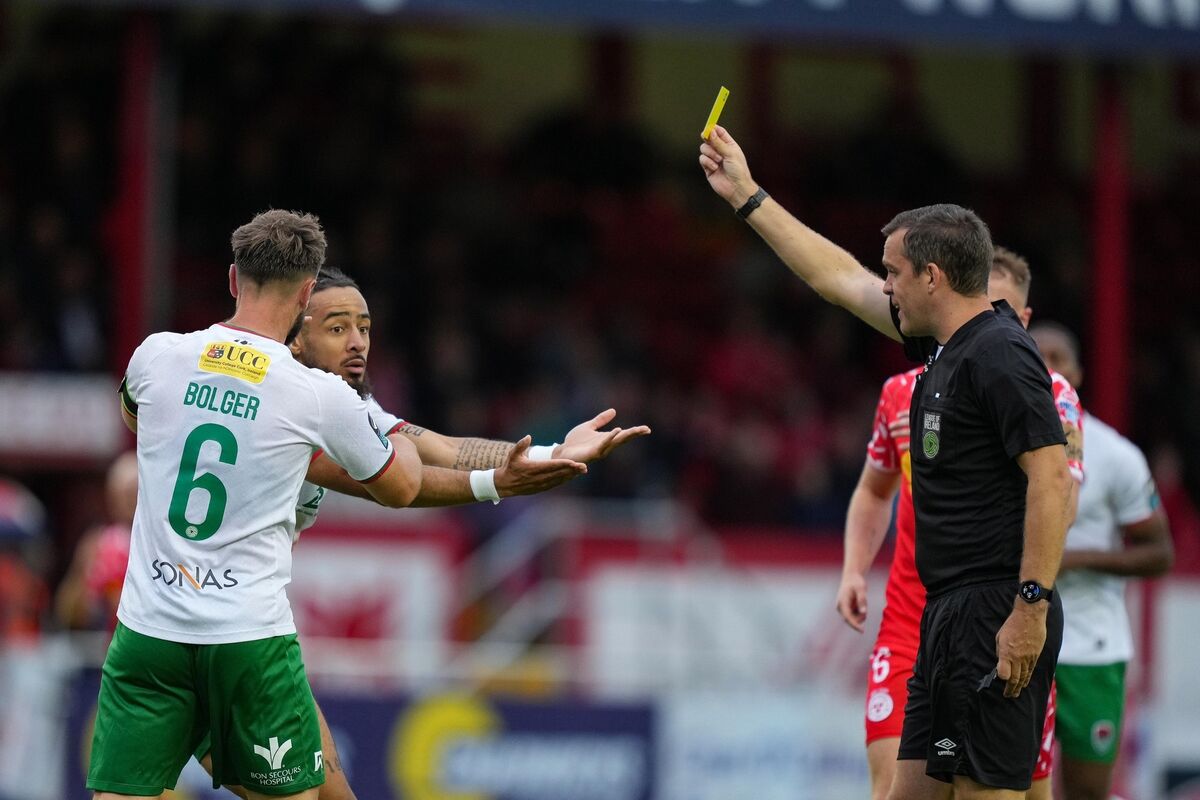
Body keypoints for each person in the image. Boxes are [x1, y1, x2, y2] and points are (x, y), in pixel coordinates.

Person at [700, 128, 1075, 799]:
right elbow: (836, 278)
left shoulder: (1000, 353)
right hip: (945, 618)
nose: (886, 285)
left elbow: (1051, 480)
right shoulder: (944, 349)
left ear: (933, 276)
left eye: (895, 272)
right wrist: (748, 196)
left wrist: (1030, 607)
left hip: (993, 615)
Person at [193, 266, 650, 800]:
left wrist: (555, 452)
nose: (358, 341)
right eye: (338, 328)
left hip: (244, 625)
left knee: (331, 791)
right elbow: (396, 485)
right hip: (213, 627)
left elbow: (437, 446)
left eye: (364, 326)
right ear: (295, 335)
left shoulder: (341, 404)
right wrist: (499, 483)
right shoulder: (287, 404)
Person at [88, 209, 428, 800]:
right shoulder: (317, 394)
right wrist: (389, 427)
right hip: (247, 638)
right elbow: (401, 489)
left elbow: (136, 423)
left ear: (231, 279)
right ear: (306, 295)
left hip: (149, 630)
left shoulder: (156, 355)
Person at [838, 248, 1084, 800]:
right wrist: (854, 568)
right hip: (919, 623)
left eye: (1003, 309)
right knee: (901, 789)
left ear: (1022, 320)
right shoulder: (905, 391)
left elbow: (1058, 494)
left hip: (997, 614)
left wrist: (1029, 603)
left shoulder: (1050, 395)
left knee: (1013, 789)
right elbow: (872, 491)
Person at [1031, 321, 1174, 800]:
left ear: (1077, 373)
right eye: (1038, 357)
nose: (1048, 368)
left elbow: (1159, 553)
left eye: (1058, 358)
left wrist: (1076, 559)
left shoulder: (1116, 456)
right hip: (1020, 639)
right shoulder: (998, 445)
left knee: (1088, 792)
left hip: (1092, 648)